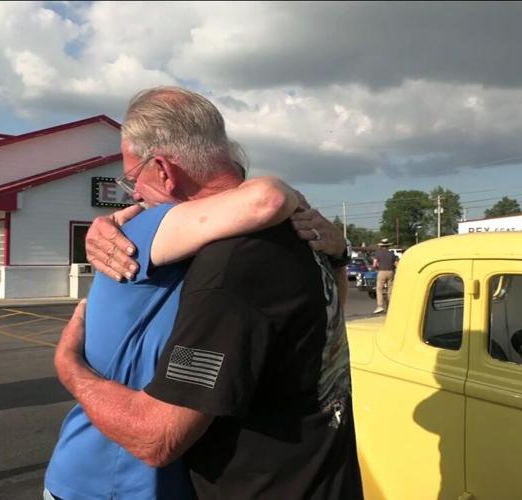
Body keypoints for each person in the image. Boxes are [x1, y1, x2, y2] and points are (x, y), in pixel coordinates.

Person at [45, 87, 350, 500]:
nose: (133, 195)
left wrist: (70, 368)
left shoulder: (220, 254)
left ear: (164, 170)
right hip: (114, 478)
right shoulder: (308, 241)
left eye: (133, 179)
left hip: (119, 480)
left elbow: (266, 198)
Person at [372, 238, 397, 314]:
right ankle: (390, 306)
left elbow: (374, 264)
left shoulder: (378, 253)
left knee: (379, 289)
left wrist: (376, 268)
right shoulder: (392, 254)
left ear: (381, 246)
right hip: (391, 272)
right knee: (390, 290)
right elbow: (396, 264)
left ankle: (380, 306)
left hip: (382, 271)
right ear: (388, 246)